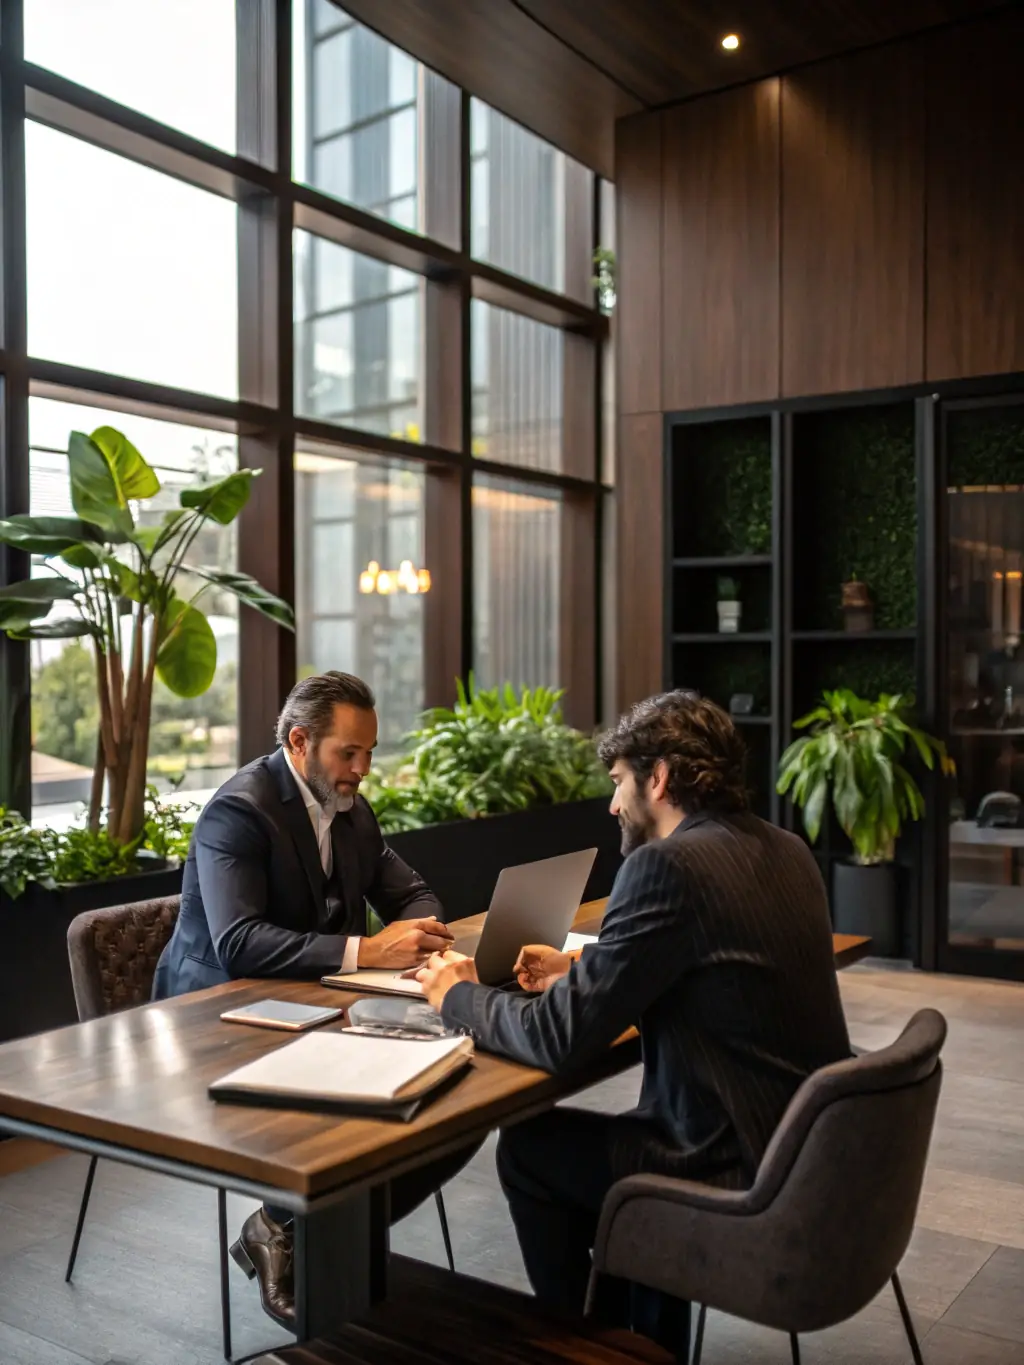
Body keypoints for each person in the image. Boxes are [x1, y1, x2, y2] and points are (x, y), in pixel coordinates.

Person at [417, 690, 851, 1342]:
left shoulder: (666, 865)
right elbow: (715, 966)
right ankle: (640, 1340)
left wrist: (457, 993)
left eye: (620, 781)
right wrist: (586, 969)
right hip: (806, 1154)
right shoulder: (786, 849)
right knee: (592, 1149)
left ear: (660, 777)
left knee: (530, 1149)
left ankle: (591, 1351)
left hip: (729, 1170)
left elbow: (558, 1039)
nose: (613, 804)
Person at [153, 671, 469, 1329]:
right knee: (377, 1102)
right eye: (348, 753)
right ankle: (301, 1230)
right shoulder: (239, 812)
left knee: (455, 1110)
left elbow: (412, 893)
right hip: (214, 1015)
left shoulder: (350, 808)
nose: (362, 769)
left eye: (369, 752)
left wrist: (421, 932)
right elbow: (239, 943)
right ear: (299, 742)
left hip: (309, 1002)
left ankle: (287, 1225)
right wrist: (368, 950)